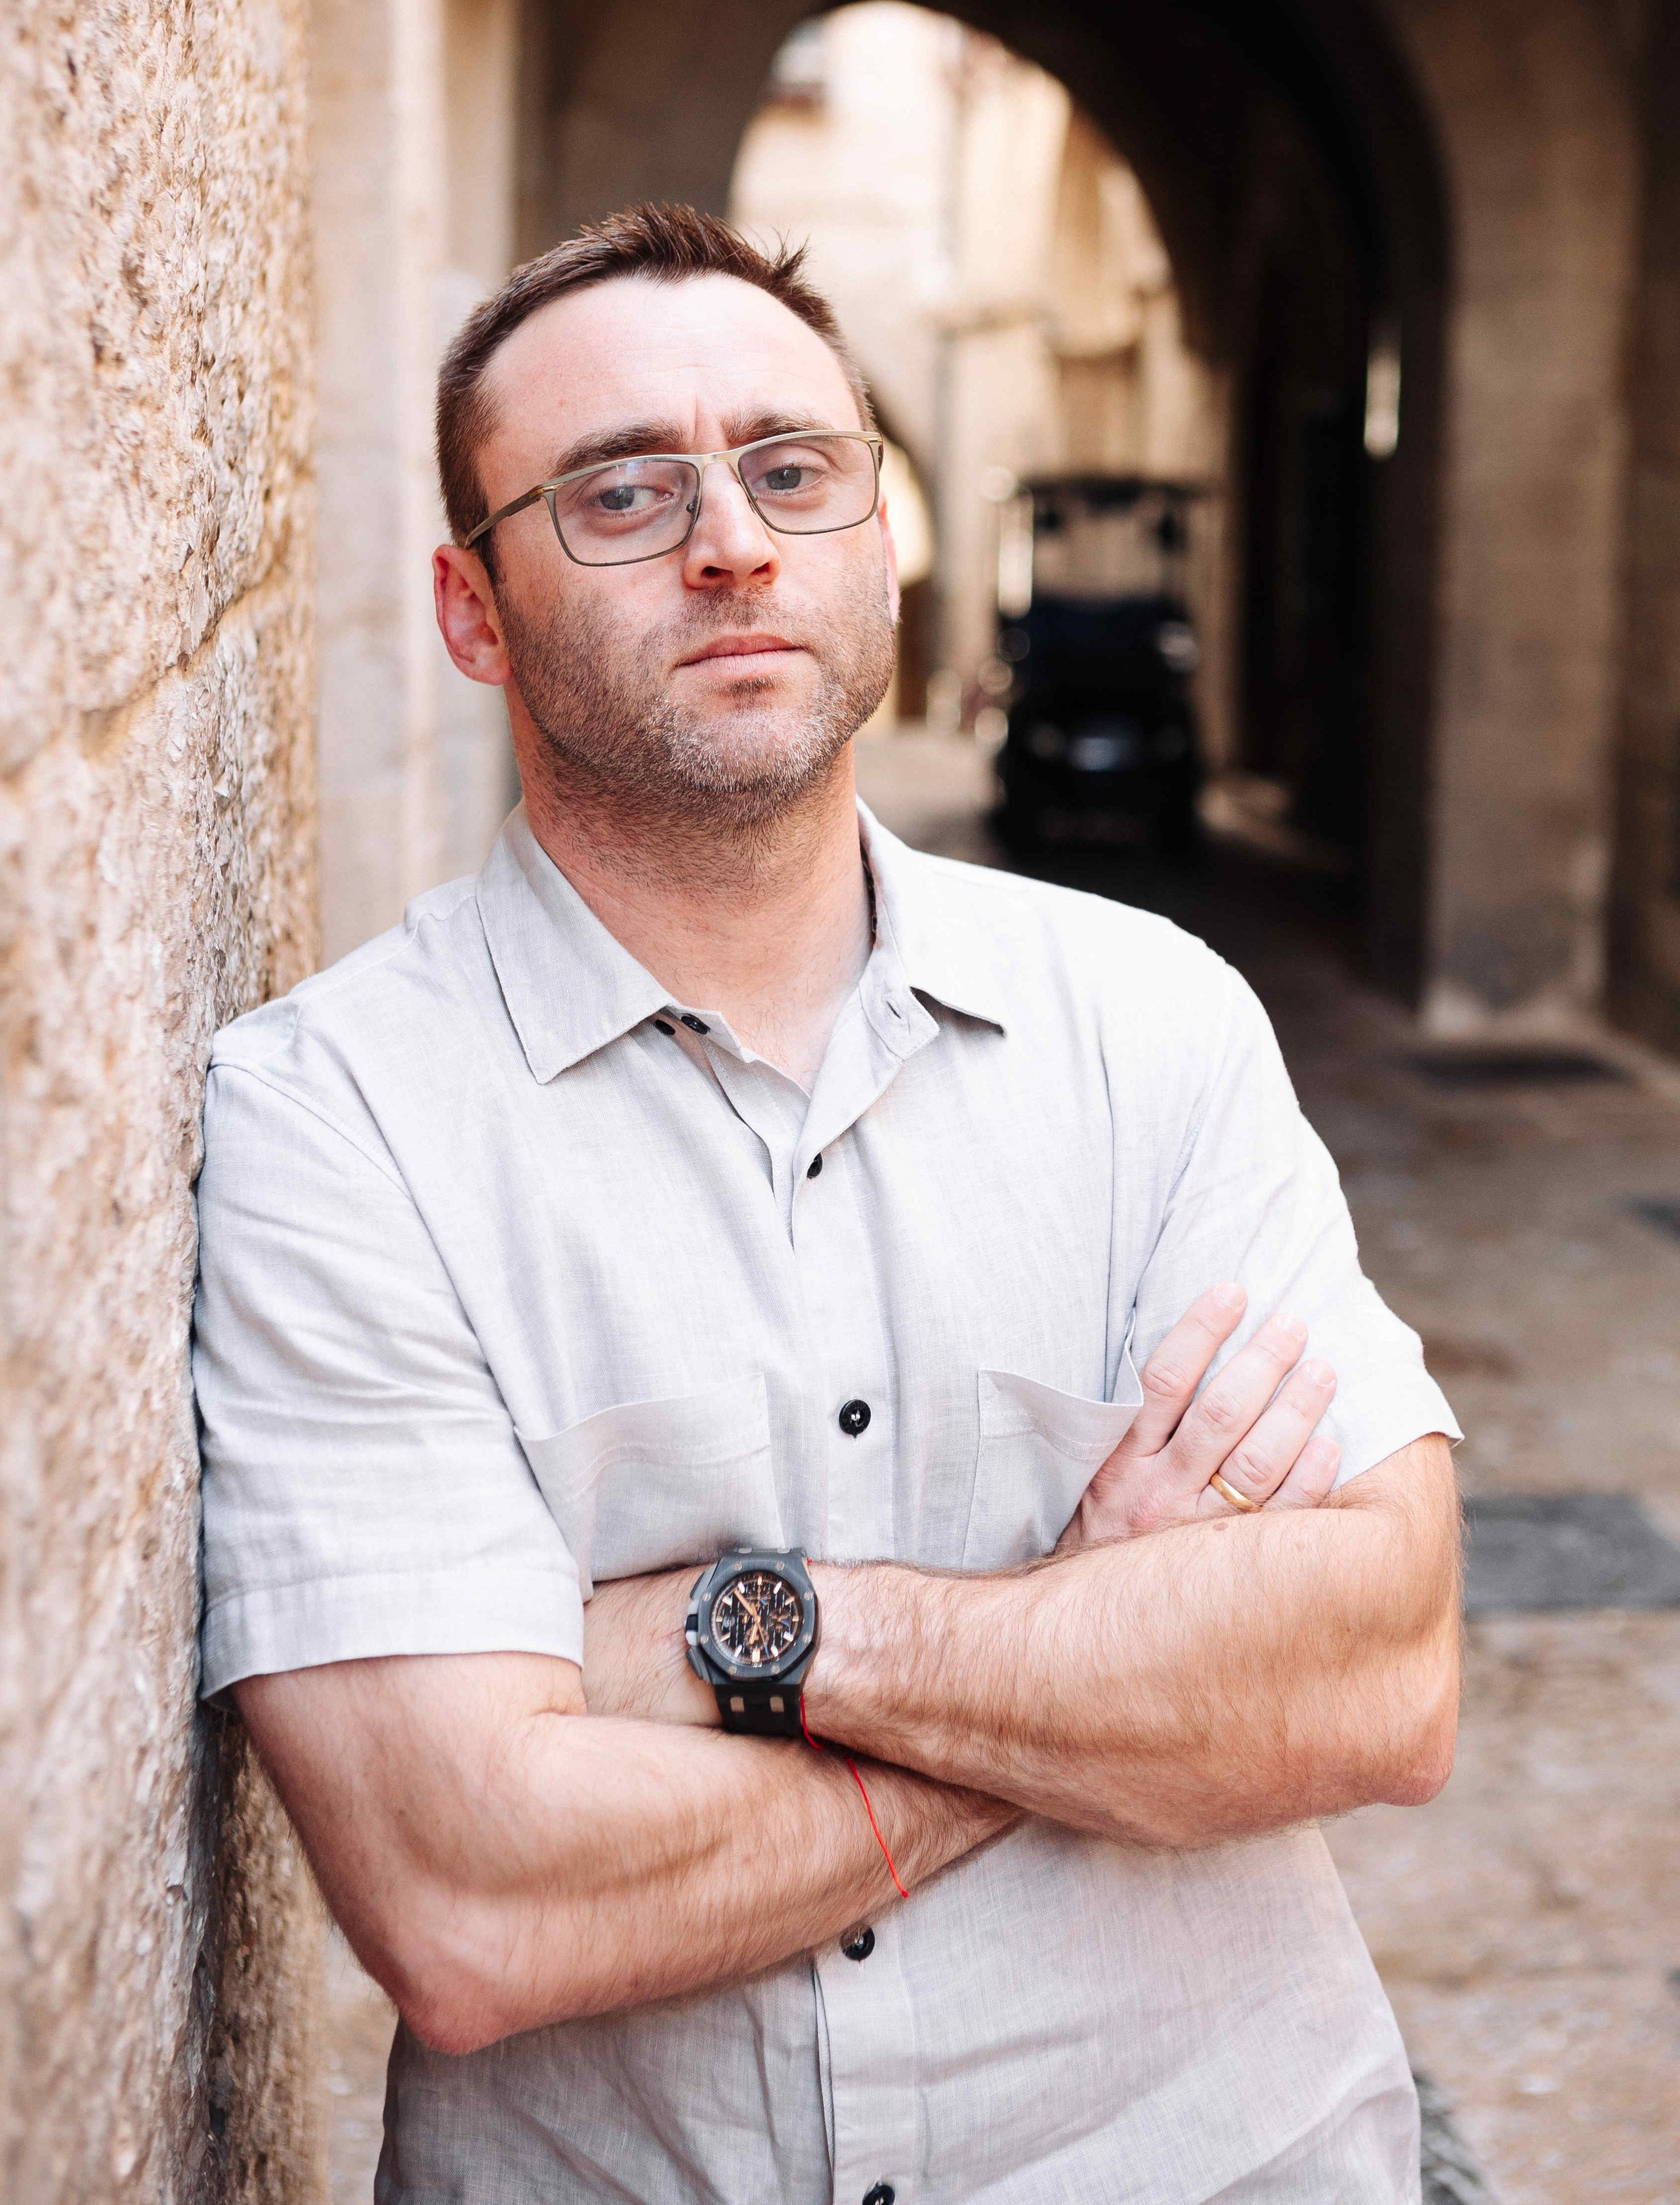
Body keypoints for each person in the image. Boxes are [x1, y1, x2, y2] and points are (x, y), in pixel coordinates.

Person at [193, 204, 1462, 2204]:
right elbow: (470, 1908)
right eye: (620, 493)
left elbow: (1380, 1678)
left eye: (796, 469)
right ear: (471, 608)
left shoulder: (1152, 1021)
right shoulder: (332, 1120)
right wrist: (1084, 1646)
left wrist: (726, 1640)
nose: (732, 539)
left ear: (880, 534)